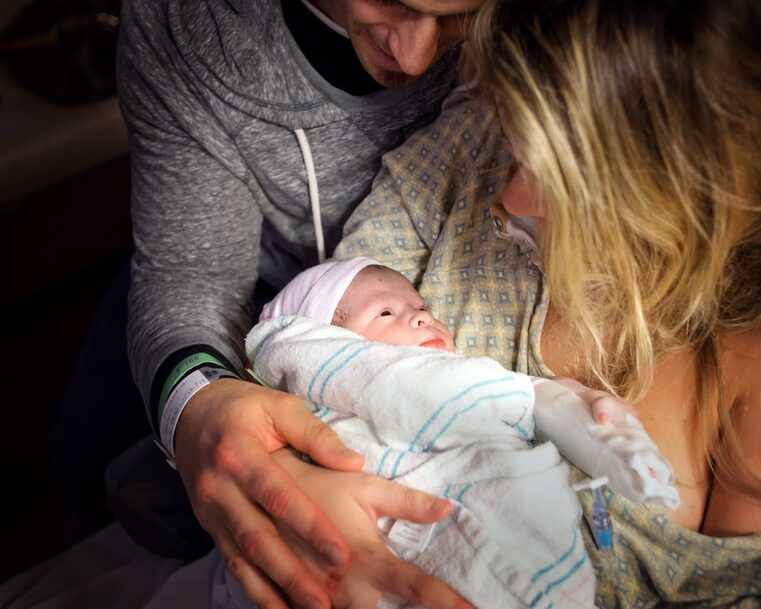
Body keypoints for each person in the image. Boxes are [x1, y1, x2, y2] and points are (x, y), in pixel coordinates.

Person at [330, 0, 761, 604]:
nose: (509, 201)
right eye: (516, 147)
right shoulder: (463, 157)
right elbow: (310, 348)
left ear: (683, 192)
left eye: (565, 185)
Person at [53, 0, 486, 608]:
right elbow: (191, 271)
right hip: (251, 288)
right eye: (390, 1)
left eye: (457, 16)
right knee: (89, 462)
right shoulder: (185, 26)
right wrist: (198, 407)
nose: (414, 58)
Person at [140, 256, 676, 609]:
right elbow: (435, 392)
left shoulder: (458, 374)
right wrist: (524, 396)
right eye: (389, 311)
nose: (422, 319)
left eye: (422, 308)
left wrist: (590, 419)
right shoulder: (337, 366)